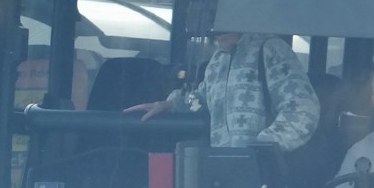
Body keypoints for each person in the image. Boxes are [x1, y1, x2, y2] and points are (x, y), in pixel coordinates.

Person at [126, 30, 320, 154]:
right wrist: (171, 104)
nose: (215, 31)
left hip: (264, 175)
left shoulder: (271, 49)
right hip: (224, 171)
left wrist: (264, 146)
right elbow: (201, 102)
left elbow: (303, 109)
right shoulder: (218, 60)